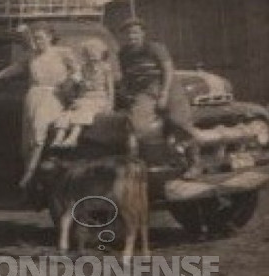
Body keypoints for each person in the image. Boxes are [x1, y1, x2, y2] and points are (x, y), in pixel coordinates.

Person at [0, 22, 80, 188]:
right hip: (33, 97)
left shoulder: (63, 53)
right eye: (35, 38)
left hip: (54, 96)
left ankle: (29, 175)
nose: (38, 42)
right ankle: (33, 179)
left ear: (50, 37)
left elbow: (77, 69)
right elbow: (16, 68)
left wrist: (73, 80)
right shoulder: (31, 55)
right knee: (27, 139)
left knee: (38, 131)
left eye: (40, 38)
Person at [116, 18, 202, 178]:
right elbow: (126, 76)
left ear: (142, 33)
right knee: (138, 125)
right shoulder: (123, 53)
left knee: (179, 121)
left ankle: (194, 163)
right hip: (144, 91)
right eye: (128, 33)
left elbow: (168, 71)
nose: (131, 36)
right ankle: (161, 160)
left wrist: (164, 94)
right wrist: (127, 93)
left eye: (135, 32)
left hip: (167, 87)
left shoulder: (155, 48)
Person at [51, 38, 115, 148]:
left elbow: (110, 89)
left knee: (84, 109)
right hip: (84, 97)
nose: (92, 57)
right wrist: (76, 81)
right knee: (69, 111)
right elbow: (75, 80)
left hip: (99, 98)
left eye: (95, 54)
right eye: (89, 54)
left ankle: (73, 137)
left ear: (101, 54)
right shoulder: (83, 68)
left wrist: (110, 105)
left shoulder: (105, 68)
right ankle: (59, 137)